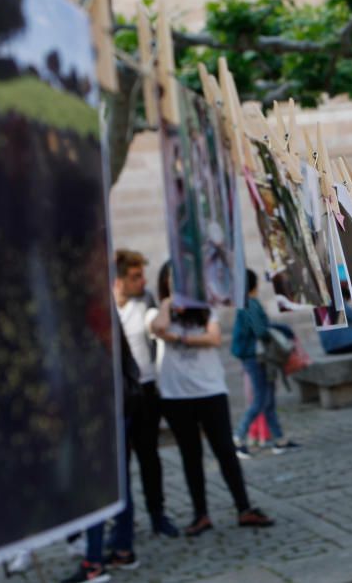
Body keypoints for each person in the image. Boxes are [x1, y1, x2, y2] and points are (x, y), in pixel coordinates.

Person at [150, 261, 273, 536]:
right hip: (175, 395)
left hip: (210, 389)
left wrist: (178, 338)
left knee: (225, 451)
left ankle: (244, 508)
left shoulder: (206, 309)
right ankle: (200, 514)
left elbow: (214, 339)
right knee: (190, 455)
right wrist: (170, 303)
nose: (177, 283)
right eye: (172, 279)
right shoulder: (159, 310)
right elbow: (158, 327)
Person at [62, 317, 142, 583]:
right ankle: (122, 549)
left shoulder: (85, 313)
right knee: (118, 481)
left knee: (97, 485)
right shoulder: (98, 306)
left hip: (100, 409)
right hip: (114, 404)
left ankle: (94, 563)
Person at [112, 249, 179, 538]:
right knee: (120, 464)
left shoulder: (146, 300)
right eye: (135, 276)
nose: (142, 281)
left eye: (142, 275)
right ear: (118, 281)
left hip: (147, 389)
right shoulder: (106, 308)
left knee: (149, 456)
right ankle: (122, 522)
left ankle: (158, 513)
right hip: (120, 394)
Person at [231, 269, 300, 458]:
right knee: (261, 399)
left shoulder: (245, 304)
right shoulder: (250, 304)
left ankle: (279, 440)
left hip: (256, 357)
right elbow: (261, 330)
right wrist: (282, 329)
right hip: (256, 357)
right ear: (254, 285)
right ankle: (238, 437)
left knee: (268, 400)